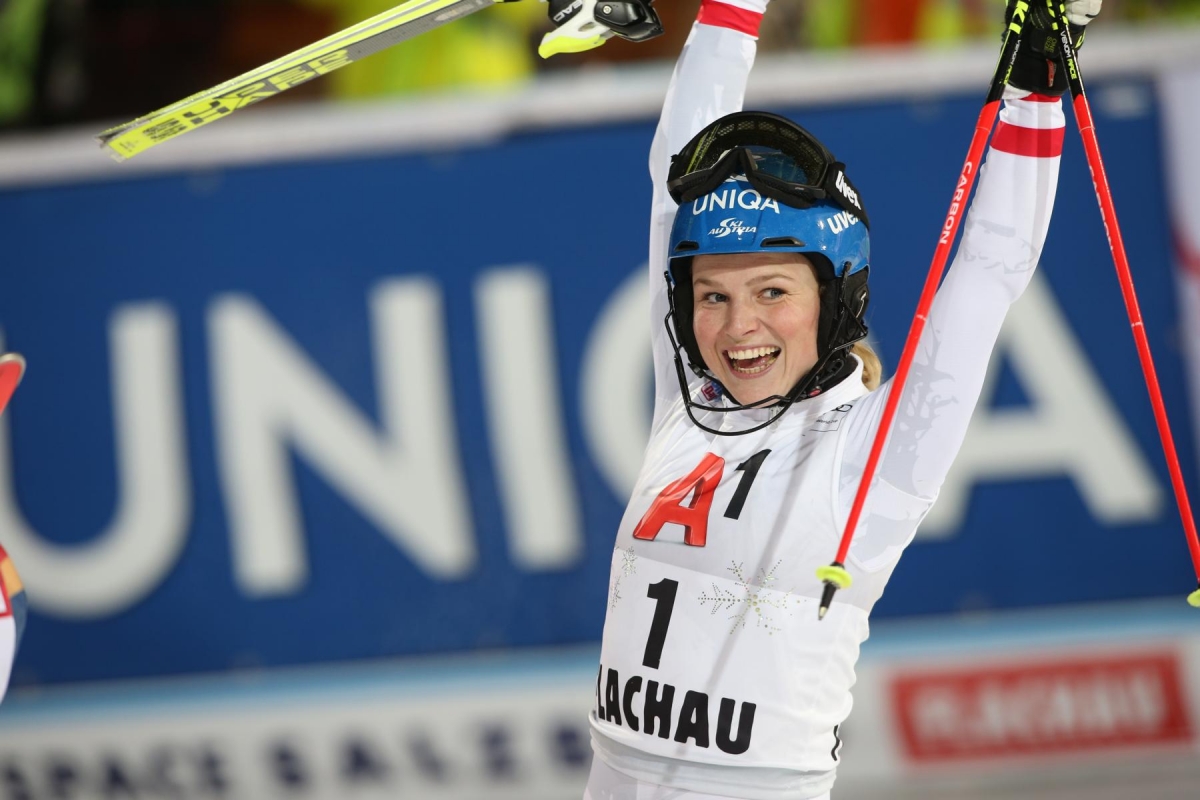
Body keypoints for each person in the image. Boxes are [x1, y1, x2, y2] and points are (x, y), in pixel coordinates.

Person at [540, 0, 1103, 798]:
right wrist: (726, 11)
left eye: (773, 291)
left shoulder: (875, 453)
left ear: (834, 299)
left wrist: (1038, 81)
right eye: (712, 297)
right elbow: (674, 177)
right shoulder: (687, 402)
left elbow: (989, 271)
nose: (739, 328)